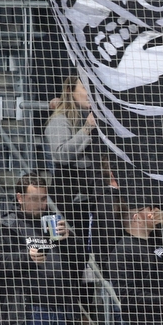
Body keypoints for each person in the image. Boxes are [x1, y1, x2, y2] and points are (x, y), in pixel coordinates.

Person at [0, 174, 88, 325]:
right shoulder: (8, 225)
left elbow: (81, 261)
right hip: (27, 313)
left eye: (44, 198)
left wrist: (70, 240)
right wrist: (26, 258)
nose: (42, 204)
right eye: (35, 199)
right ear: (20, 198)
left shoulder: (53, 223)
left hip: (59, 309)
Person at [44, 75, 108, 231]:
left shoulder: (88, 116)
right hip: (67, 196)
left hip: (89, 193)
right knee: (63, 245)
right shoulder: (60, 119)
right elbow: (60, 154)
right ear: (69, 91)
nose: (90, 94)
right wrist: (87, 129)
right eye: (85, 88)